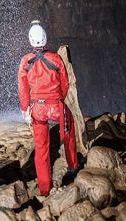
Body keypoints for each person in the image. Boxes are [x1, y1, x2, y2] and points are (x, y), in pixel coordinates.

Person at [17, 21, 79, 197]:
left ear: (30, 40)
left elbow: (22, 89)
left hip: (37, 108)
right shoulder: (55, 58)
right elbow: (65, 82)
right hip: (56, 106)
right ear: (45, 38)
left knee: (41, 147)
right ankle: (73, 166)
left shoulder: (25, 62)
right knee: (68, 132)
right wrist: (60, 97)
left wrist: (25, 108)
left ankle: (45, 187)